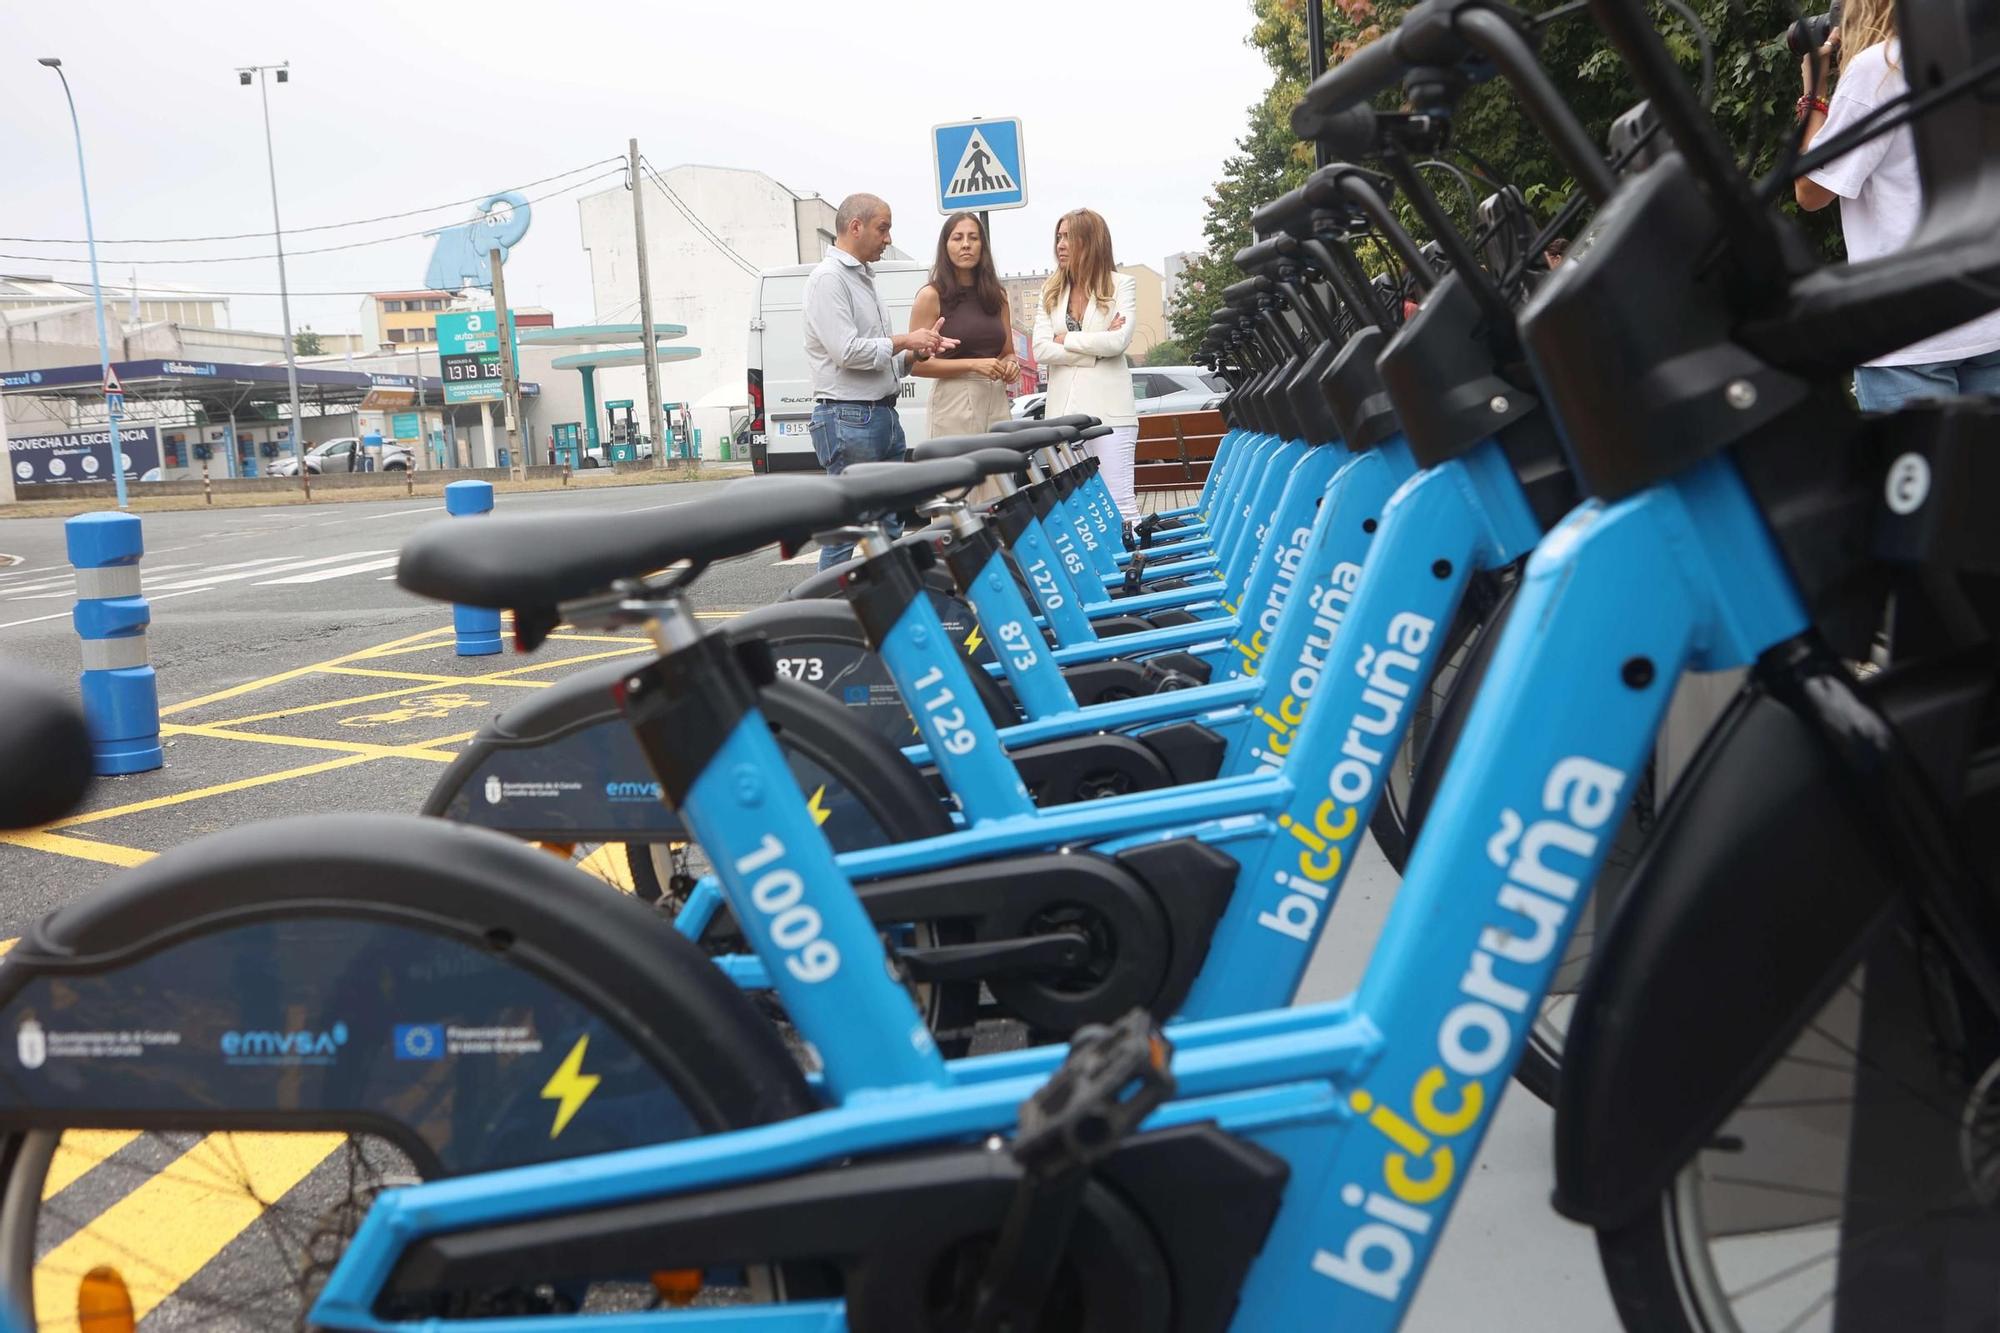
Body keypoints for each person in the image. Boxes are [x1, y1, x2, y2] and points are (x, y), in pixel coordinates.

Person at [1794, 0, 2000, 411]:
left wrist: (1814, 92)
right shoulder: (1981, 55)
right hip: (1988, 315)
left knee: (1919, 474)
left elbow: (1811, 191)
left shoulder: (1879, 69)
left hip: (1907, 333)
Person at [802, 192, 955, 568]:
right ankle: (836, 615)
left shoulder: (863, 279)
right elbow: (848, 352)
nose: (888, 239)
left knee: (888, 525)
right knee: (851, 529)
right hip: (850, 418)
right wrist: (907, 339)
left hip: (879, 414)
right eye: (882, 229)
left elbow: (883, 360)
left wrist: (918, 352)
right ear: (856, 227)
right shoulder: (828, 280)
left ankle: (888, 610)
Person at [1031, 208, 1140, 523]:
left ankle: (1133, 570)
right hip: (1062, 420)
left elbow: (1118, 342)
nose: (1060, 245)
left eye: (1069, 237)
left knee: (1120, 509)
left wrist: (1065, 339)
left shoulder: (1121, 285)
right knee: (1078, 515)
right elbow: (1040, 348)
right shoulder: (1051, 291)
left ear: (1091, 242)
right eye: (1059, 237)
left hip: (1111, 416)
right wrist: (1095, 345)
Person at [910, 213, 1019, 439]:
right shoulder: (931, 296)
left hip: (996, 397)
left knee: (1001, 474)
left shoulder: (998, 296)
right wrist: (973, 365)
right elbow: (916, 365)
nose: (966, 245)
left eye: (973, 238)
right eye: (957, 238)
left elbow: (1007, 353)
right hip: (953, 400)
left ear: (983, 245)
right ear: (946, 246)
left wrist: (1010, 366)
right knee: (960, 473)